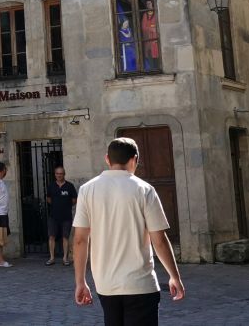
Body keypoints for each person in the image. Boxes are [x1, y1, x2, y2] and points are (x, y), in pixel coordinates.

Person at [73, 137, 184, 325]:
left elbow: (80, 240)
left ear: (107, 159)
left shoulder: (86, 190)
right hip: (140, 284)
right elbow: (159, 240)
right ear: (135, 159)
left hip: (106, 285)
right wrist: (174, 276)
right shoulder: (145, 190)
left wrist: (80, 282)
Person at [45, 165, 78, 266]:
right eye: (57, 174)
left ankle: (65, 258)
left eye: (61, 174)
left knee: (65, 237)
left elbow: (74, 200)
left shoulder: (69, 186)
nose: (59, 175)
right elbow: (48, 199)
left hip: (66, 216)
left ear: (64, 174)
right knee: (51, 236)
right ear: (55, 175)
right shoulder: (51, 186)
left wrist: (65, 206)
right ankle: (51, 258)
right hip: (53, 216)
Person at [141, 0, 159, 71]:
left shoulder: (156, 14)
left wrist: (153, 28)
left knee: (157, 54)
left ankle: (157, 68)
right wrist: (151, 28)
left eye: (150, 3)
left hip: (155, 38)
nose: (148, 5)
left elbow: (158, 25)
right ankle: (152, 69)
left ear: (152, 4)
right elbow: (143, 27)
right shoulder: (145, 15)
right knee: (150, 54)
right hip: (148, 38)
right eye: (147, 4)